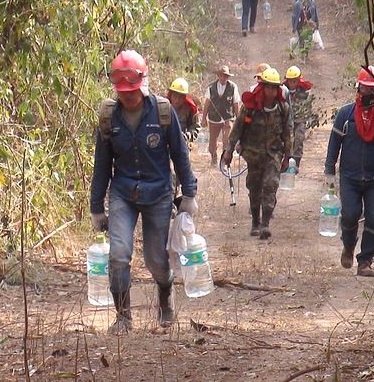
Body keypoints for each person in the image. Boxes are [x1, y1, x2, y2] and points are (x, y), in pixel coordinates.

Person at [90, 50, 198, 334]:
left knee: (155, 259)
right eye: (123, 92)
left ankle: (165, 296)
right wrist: (96, 207)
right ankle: (123, 316)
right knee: (118, 255)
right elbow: (102, 164)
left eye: (132, 91)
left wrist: (189, 194)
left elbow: (180, 154)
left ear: (142, 85)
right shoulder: (109, 117)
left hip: (159, 192)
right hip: (123, 193)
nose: (128, 97)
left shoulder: (163, 112)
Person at [324, 66, 374, 278]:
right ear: (357, 89)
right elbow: (334, 143)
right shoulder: (345, 115)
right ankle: (348, 247)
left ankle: (365, 261)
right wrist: (329, 171)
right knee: (349, 214)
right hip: (348, 176)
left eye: (371, 91)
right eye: (364, 90)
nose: (367, 95)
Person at [222, 67, 291, 240]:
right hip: (253, 155)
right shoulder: (250, 108)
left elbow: (288, 134)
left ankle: (266, 224)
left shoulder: (283, 108)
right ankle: (255, 222)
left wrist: (287, 157)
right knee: (254, 188)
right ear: (263, 87)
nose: (271, 91)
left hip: (273, 155)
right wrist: (229, 150)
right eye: (268, 87)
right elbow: (237, 129)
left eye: (274, 88)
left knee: (270, 185)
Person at [201, 65, 239, 166]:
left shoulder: (233, 87)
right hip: (214, 117)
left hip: (228, 117)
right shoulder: (211, 87)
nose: (223, 78)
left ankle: (223, 161)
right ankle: (214, 157)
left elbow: (236, 104)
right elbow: (207, 103)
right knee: (212, 142)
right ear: (218, 76)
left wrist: (239, 120)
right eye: (221, 76)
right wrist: (203, 118)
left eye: (226, 76)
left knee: (227, 140)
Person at [283, 66, 317, 168]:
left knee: (299, 138)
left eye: (294, 81)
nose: (292, 83)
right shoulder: (283, 90)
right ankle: (285, 159)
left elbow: (309, 105)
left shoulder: (304, 91)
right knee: (286, 139)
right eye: (290, 81)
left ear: (298, 80)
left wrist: (308, 118)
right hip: (287, 119)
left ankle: (296, 163)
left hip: (300, 119)